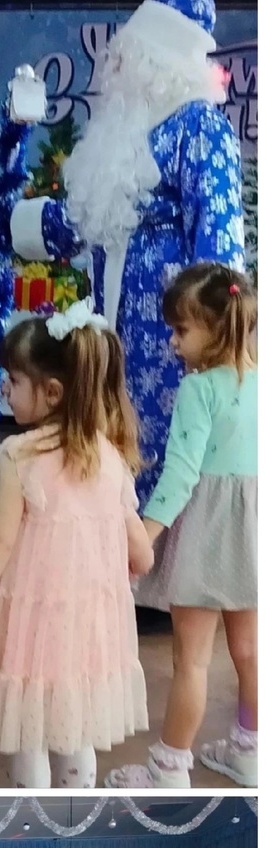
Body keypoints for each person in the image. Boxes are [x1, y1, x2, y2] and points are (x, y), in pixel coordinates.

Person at [8, 0, 246, 515]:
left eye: (127, 53)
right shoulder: (122, 128)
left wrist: (211, 334)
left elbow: (220, 239)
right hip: (111, 325)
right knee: (109, 437)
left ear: (157, 59)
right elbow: (84, 219)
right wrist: (17, 218)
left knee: (162, 447)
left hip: (169, 332)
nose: (114, 64)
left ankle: (156, 553)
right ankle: (110, 546)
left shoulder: (199, 126)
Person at [0, 308, 152, 788]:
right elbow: (141, 555)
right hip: (89, 626)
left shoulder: (21, 457)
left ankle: (32, 811)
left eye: (15, 380)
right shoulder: (110, 457)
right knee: (74, 723)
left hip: (28, 626)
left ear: (52, 392)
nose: (5, 390)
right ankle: (76, 805)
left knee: (29, 729)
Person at [109, 266, 257, 788]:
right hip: (252, 533)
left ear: (215, 329)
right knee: (249, 651)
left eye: (181, 329)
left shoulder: (199, 389)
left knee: (191, 661)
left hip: (208, 534)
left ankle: (169, 768)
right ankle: (249, 751)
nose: (172, 341)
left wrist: (142, 538)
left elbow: (180, 475)